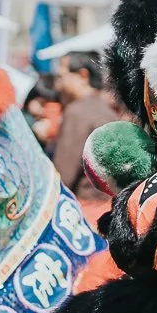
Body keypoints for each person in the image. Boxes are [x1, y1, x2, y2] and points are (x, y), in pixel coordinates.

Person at [52, 52, 115, 203]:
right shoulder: (108, 112)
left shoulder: (77, 112)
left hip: (84, 208)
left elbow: (63, 176)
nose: (58, 85)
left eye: (62, 76)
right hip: (109, 206)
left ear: (82, 76)